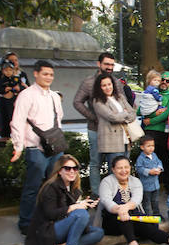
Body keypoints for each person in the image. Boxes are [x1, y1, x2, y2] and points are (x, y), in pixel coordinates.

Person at [10, 60, 64, 235]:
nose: (48, 77)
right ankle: (25, 222)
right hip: (35, 147)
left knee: (56, 185)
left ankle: (52, 217)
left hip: (55, 147)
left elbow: (59, 119)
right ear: (36, 74)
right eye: (45, 74)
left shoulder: (55, 96)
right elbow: (17, 121)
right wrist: (18, 146)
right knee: (32, 187)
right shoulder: (26, 95)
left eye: (51, 74)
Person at [23, 154, 103, 245]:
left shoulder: (73, 188)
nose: (72, 171)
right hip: (48, 230)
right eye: (67, 168)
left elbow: (76, 217)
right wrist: (74, 206)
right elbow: (50, 214)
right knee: (81, 213)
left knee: (98, 232)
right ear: (59, 171)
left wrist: (86, 205)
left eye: (75, 168)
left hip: (63, 227)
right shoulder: (50, 187)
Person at [99, 155, 169, 245]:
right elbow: (106, 201)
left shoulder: (135, 181)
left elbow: (136, 199)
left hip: (131, 216)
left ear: (130, 168)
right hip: (112, 221)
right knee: (127, 215)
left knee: (145, 224)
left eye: (126, 167)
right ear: (113, 169)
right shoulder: (106, 182)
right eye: (120, 168)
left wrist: (125, 208)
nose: (123, 170)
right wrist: (120, 210)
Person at [73, 52, 126, 193]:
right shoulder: (89, 82)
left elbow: (124, 104)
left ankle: (112, 195)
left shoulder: (116, 83)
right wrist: (93, 117)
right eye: (106, 64)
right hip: (95, 129)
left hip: (115, 131)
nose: (109, 67)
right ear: (99, 64)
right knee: (96, 163)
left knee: (114, 165)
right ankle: (96, 195)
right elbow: (77, 102)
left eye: (112, 65)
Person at [91, 71, 137, 186]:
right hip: (111, 142)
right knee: (115, 173)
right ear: (99, 87)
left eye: (109, 84)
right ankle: (112, 199)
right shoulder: (98, 101)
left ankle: (125, 197)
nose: (107, 87)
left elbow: (132, 113)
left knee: (126, 171)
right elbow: (112, 117)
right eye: (104, 85)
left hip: (125, 139)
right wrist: (124, 114)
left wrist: (123, 115)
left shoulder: (120, 97)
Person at [141, 71, 169, 191]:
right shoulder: (150, 92)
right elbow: (140, 111)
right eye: (162, 79)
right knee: (148, 160)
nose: (164, 82)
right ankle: (149, 188)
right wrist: (154, 113)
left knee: (165, 160)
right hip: (149, 133)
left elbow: (167, 114)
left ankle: (167, 185)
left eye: (168, 81)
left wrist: (150, 120)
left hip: (163, 133)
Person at [0, 58, 27, 137]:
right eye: (6, 70)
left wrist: (17, 89)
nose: (8, 72)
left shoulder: (17, 78)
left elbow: (23, 88)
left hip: (15, 101)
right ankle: (5, 136)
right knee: (5, 120)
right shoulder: (1, 79)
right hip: (4, 102)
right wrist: (4, 90)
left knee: (15, 119)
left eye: (10, 70)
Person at [134, 136, 163, 217]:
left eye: (153, 146)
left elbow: (159, 162)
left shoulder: (154, 155)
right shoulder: (141, 158)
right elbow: (139, 168)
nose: (151, 148)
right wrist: (149, 171)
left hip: (155, 185)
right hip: (146, 186)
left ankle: (157, 215)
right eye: (148, 146)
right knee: (146, 202)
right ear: (142, 147)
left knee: (156, 201)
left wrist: (160, 168)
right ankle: (147, 217)